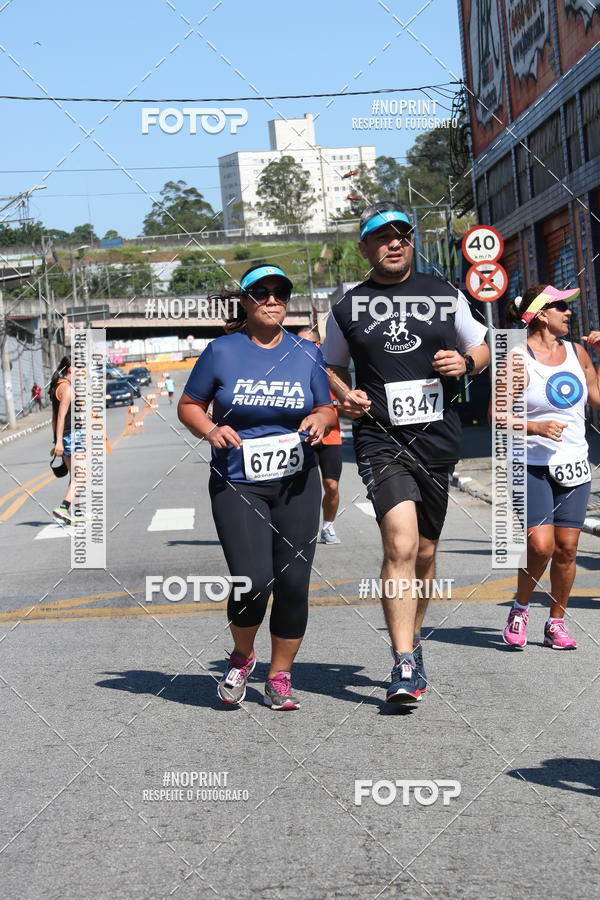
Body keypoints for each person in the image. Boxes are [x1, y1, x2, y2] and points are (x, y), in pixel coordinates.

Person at [321, 201, 489, 703]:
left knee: (426, 553)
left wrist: (466, 363)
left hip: (437, 438)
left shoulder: (445, 294)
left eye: (403, 235)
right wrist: (345, 395)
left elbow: (484, 347)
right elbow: (330, 366)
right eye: (382, 236)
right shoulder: (347, 307)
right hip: (381, 439)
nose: (395, 243)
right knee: (400, 545)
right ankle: (403, 662)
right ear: (364, 248)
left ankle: (413, 640)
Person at [178, 264, 336, 710]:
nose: (272, 299)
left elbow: (328, 409)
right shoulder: (221, 351)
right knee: (253, 581)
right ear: (245, 301)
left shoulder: (306, 353)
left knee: (294, 583)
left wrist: (319, 419)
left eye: (280, 292)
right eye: (261, 292)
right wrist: (211, 430)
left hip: (296, 482)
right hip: (238, 481)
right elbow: (189, 405)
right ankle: (242, 656)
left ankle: (280, 675)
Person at [500, 284, 600, 650]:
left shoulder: (576, 352)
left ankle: (556, 622)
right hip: (530, 464)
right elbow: (497, 415)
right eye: (561, 307)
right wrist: (535, 427)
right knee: (541, 546)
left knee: (567, 549)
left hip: (574, 463)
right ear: (541, 314)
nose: (568, 312)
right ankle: (520, 608)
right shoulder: (517, 359)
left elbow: (597, 397)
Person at [297, 326, 343, 544]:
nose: (300, 348)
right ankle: (300, 530)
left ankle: (327, 527)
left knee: (331, 486)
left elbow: (346, 397)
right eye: (296, 344)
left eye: (305, 343)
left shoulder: (329, 372)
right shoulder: (291, 369)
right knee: (305, 489)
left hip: (331, 437)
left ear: (318, 345)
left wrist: (339, 401)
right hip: (303, 437)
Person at [49, 356, 84, 525]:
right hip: (73, 436)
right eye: (79, 368)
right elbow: (61, 417)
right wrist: (59, 442)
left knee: (75, 476)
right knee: (81, 475)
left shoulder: (58, 386)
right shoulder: (68, 388)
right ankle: (64, 507)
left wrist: (57, 439)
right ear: (71, 369)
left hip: (66, 436)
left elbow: (54, 418)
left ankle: (74, 512)